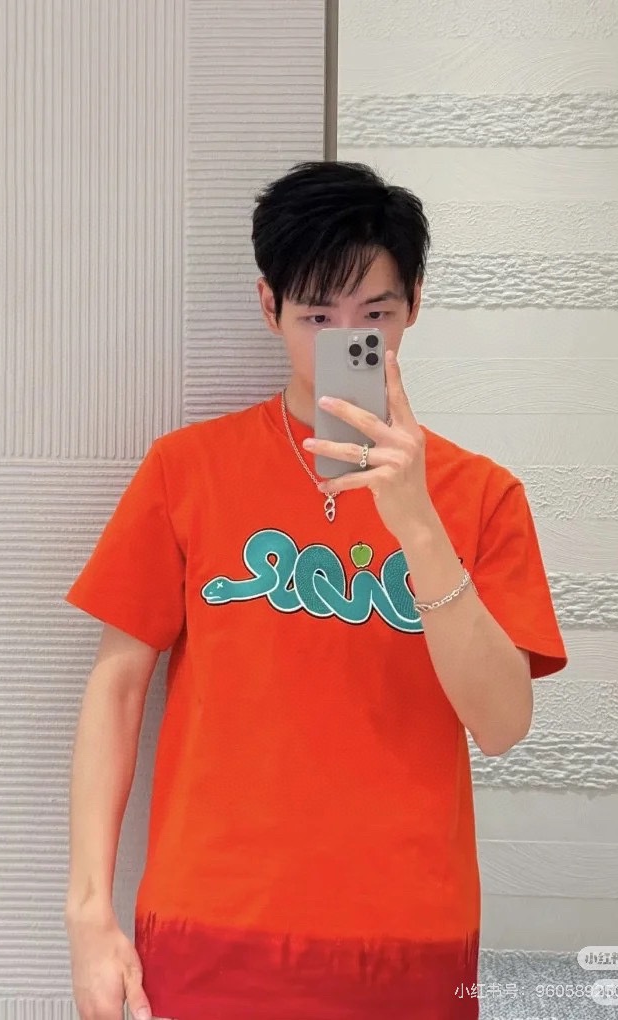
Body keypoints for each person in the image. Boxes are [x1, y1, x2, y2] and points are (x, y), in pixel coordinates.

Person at [63, 160, 568, 1020]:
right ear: (269, 307)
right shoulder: (188, 471)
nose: (345, 341)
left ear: (414, 305)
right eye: (316, 316)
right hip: (208, 929)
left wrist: (416, 522)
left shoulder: (481, 495)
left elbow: (501, 724)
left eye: (374, 315)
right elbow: (116, 689)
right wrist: (87, 917)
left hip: (409, 942)